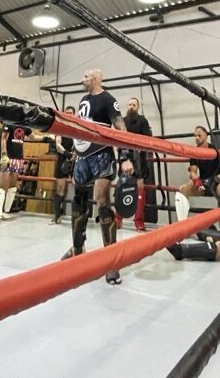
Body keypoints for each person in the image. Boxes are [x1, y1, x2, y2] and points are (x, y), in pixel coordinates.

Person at [62, 68, 133, 285]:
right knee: (79, 199)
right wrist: (73, 154)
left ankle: (111, 260)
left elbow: (120, 128)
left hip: (101, 155)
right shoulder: (83, 100)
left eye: (86, 76)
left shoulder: (108, 99)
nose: (82, 79)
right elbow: (79, 128)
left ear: (96, 79)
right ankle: (78, 248)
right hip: (83, 156)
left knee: (102, 200)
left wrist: (125, 157)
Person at [0, 125, 51, 225]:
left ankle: (6, 211)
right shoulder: (9, 122)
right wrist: (4, 154)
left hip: (18, 158)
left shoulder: (25, 125)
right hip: (8, 157)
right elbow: (3, 138)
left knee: (12, 186)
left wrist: (45, 138)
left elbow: (33, 137)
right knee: (3, 185)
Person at [174, 126, 220, 223]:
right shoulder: (194, 152)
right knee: (182, 190)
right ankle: (182, 225)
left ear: (206, 136)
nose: (197, 138)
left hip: (217, 183)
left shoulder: (216, 151)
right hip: (203, 183)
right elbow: (193, 172)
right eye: (195, 136)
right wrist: (197, 183)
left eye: (199, 135)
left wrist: (215, 180)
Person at [116, 96, 152, 232]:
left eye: (134, 105)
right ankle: (118, 219)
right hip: (125, 156)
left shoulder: (142, 120)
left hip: (138, 157)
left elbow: (148, 139)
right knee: (122, 186)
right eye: (129, 105)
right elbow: (117, 139)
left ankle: (139, 221)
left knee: (140, 187)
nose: (131, 107)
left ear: (138, 107)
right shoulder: (123, 121)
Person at [49, 105, 76, 225]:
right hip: (63, 159)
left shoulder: (77, 129)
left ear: (74, 115)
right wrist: (68, 154)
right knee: (60, 188)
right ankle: (57, 216)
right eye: (67, 112)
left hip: (75, 160)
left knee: (78, 187)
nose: (69, 114)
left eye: (71, 113)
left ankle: (79, 217)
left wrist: (74, 155)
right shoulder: (60, 128)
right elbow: (58, 145)